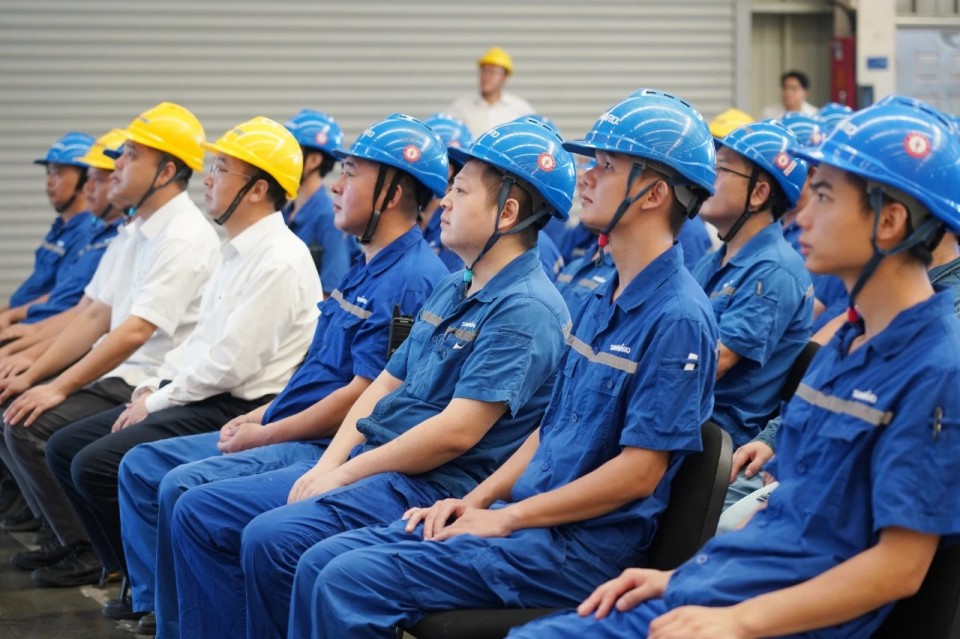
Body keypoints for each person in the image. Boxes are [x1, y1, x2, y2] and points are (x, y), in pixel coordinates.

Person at [507, 94, 960, 639]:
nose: (802, 215)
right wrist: (677, 581)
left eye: (822, 196)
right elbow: (785, 515)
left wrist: (737, 621)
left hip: (774, 619)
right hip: (726, 591)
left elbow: (899, 569)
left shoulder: (939, 369)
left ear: (889, 220)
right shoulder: (846, 349)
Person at [285, 89, 720, 639]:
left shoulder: (679, 316)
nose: (585, 176)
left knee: (348, 579)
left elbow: (639, 472)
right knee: (321, 560)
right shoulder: (601, 297)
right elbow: (550, 429)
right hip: (527, 524)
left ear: (655, 193)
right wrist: (472, 502)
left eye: (606, 166)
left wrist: (506, 516)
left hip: (575, 550)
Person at [169, 117, 574, 639]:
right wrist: (333, 464)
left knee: (271, 539)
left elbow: (455, 433)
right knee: (206, 510)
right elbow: (384, 384)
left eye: (459, 190)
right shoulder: (456, 286)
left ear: (509, 212)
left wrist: (339, 476)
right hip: (379, 464)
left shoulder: (527, 309)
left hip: (430, 484)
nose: (444, 202)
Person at [114, 113, 450, 638]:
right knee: (169, 482)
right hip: (295, 426)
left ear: (391, 192)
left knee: (193, 498)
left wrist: (267, 431)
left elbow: (363, 396)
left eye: (353, 174)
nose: (336, 186)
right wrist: (261, 415)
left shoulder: (413, 280)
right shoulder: (369, 265)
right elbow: (317, 373)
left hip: (325, 444)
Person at [39, 116, 321, 598]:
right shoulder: (237, 251)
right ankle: (134, 576)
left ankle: (154, 591)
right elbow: (196, 343)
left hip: (240, 405)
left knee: (103, 462)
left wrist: (156, 402)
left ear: (256, 190)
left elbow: (230, 365)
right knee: (67, 448)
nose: (208, 178)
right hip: (201, 392)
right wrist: (156, 387)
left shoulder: (278, 259)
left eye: (221, 169)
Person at [0, 101, 219, 581]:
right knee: (20, 405)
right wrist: (33, 371)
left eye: (130, 155)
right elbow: (92, 312)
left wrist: (56, 387)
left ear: (165, 171)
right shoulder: (135, 230)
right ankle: (70, 539)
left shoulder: (181, 235)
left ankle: (90, 550)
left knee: (32, 427)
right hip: (121, 370)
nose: (116, 164)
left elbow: (137, 330)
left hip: (148, 378)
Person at [691, 120, 813, 508]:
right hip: (686, 428)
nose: (709, 177)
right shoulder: (715, 260)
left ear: (759, 192)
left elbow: (710, 365)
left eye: (723, 168)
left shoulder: (774, 269)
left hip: (714, 442)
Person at [0, 132, 95, 331]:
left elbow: (62, 296)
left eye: (58, 173)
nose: (49, 182)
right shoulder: (61, 227)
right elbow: (35, 287)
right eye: (49, 173)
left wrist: (11, 316)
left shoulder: (87, 232)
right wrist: (7, 312)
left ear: (85, 179)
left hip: (40, 329)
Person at [282, 108, 354, 294]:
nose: (281, 160)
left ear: (313, 160)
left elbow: (330, 294)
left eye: (291, 153)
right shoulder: (283, 211)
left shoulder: (329, 218)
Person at [448, 46, 535, 137]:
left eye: (492, 72)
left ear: (505, 77)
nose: (486, 77)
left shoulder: (521, 110)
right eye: (484, 71)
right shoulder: (460, 108)